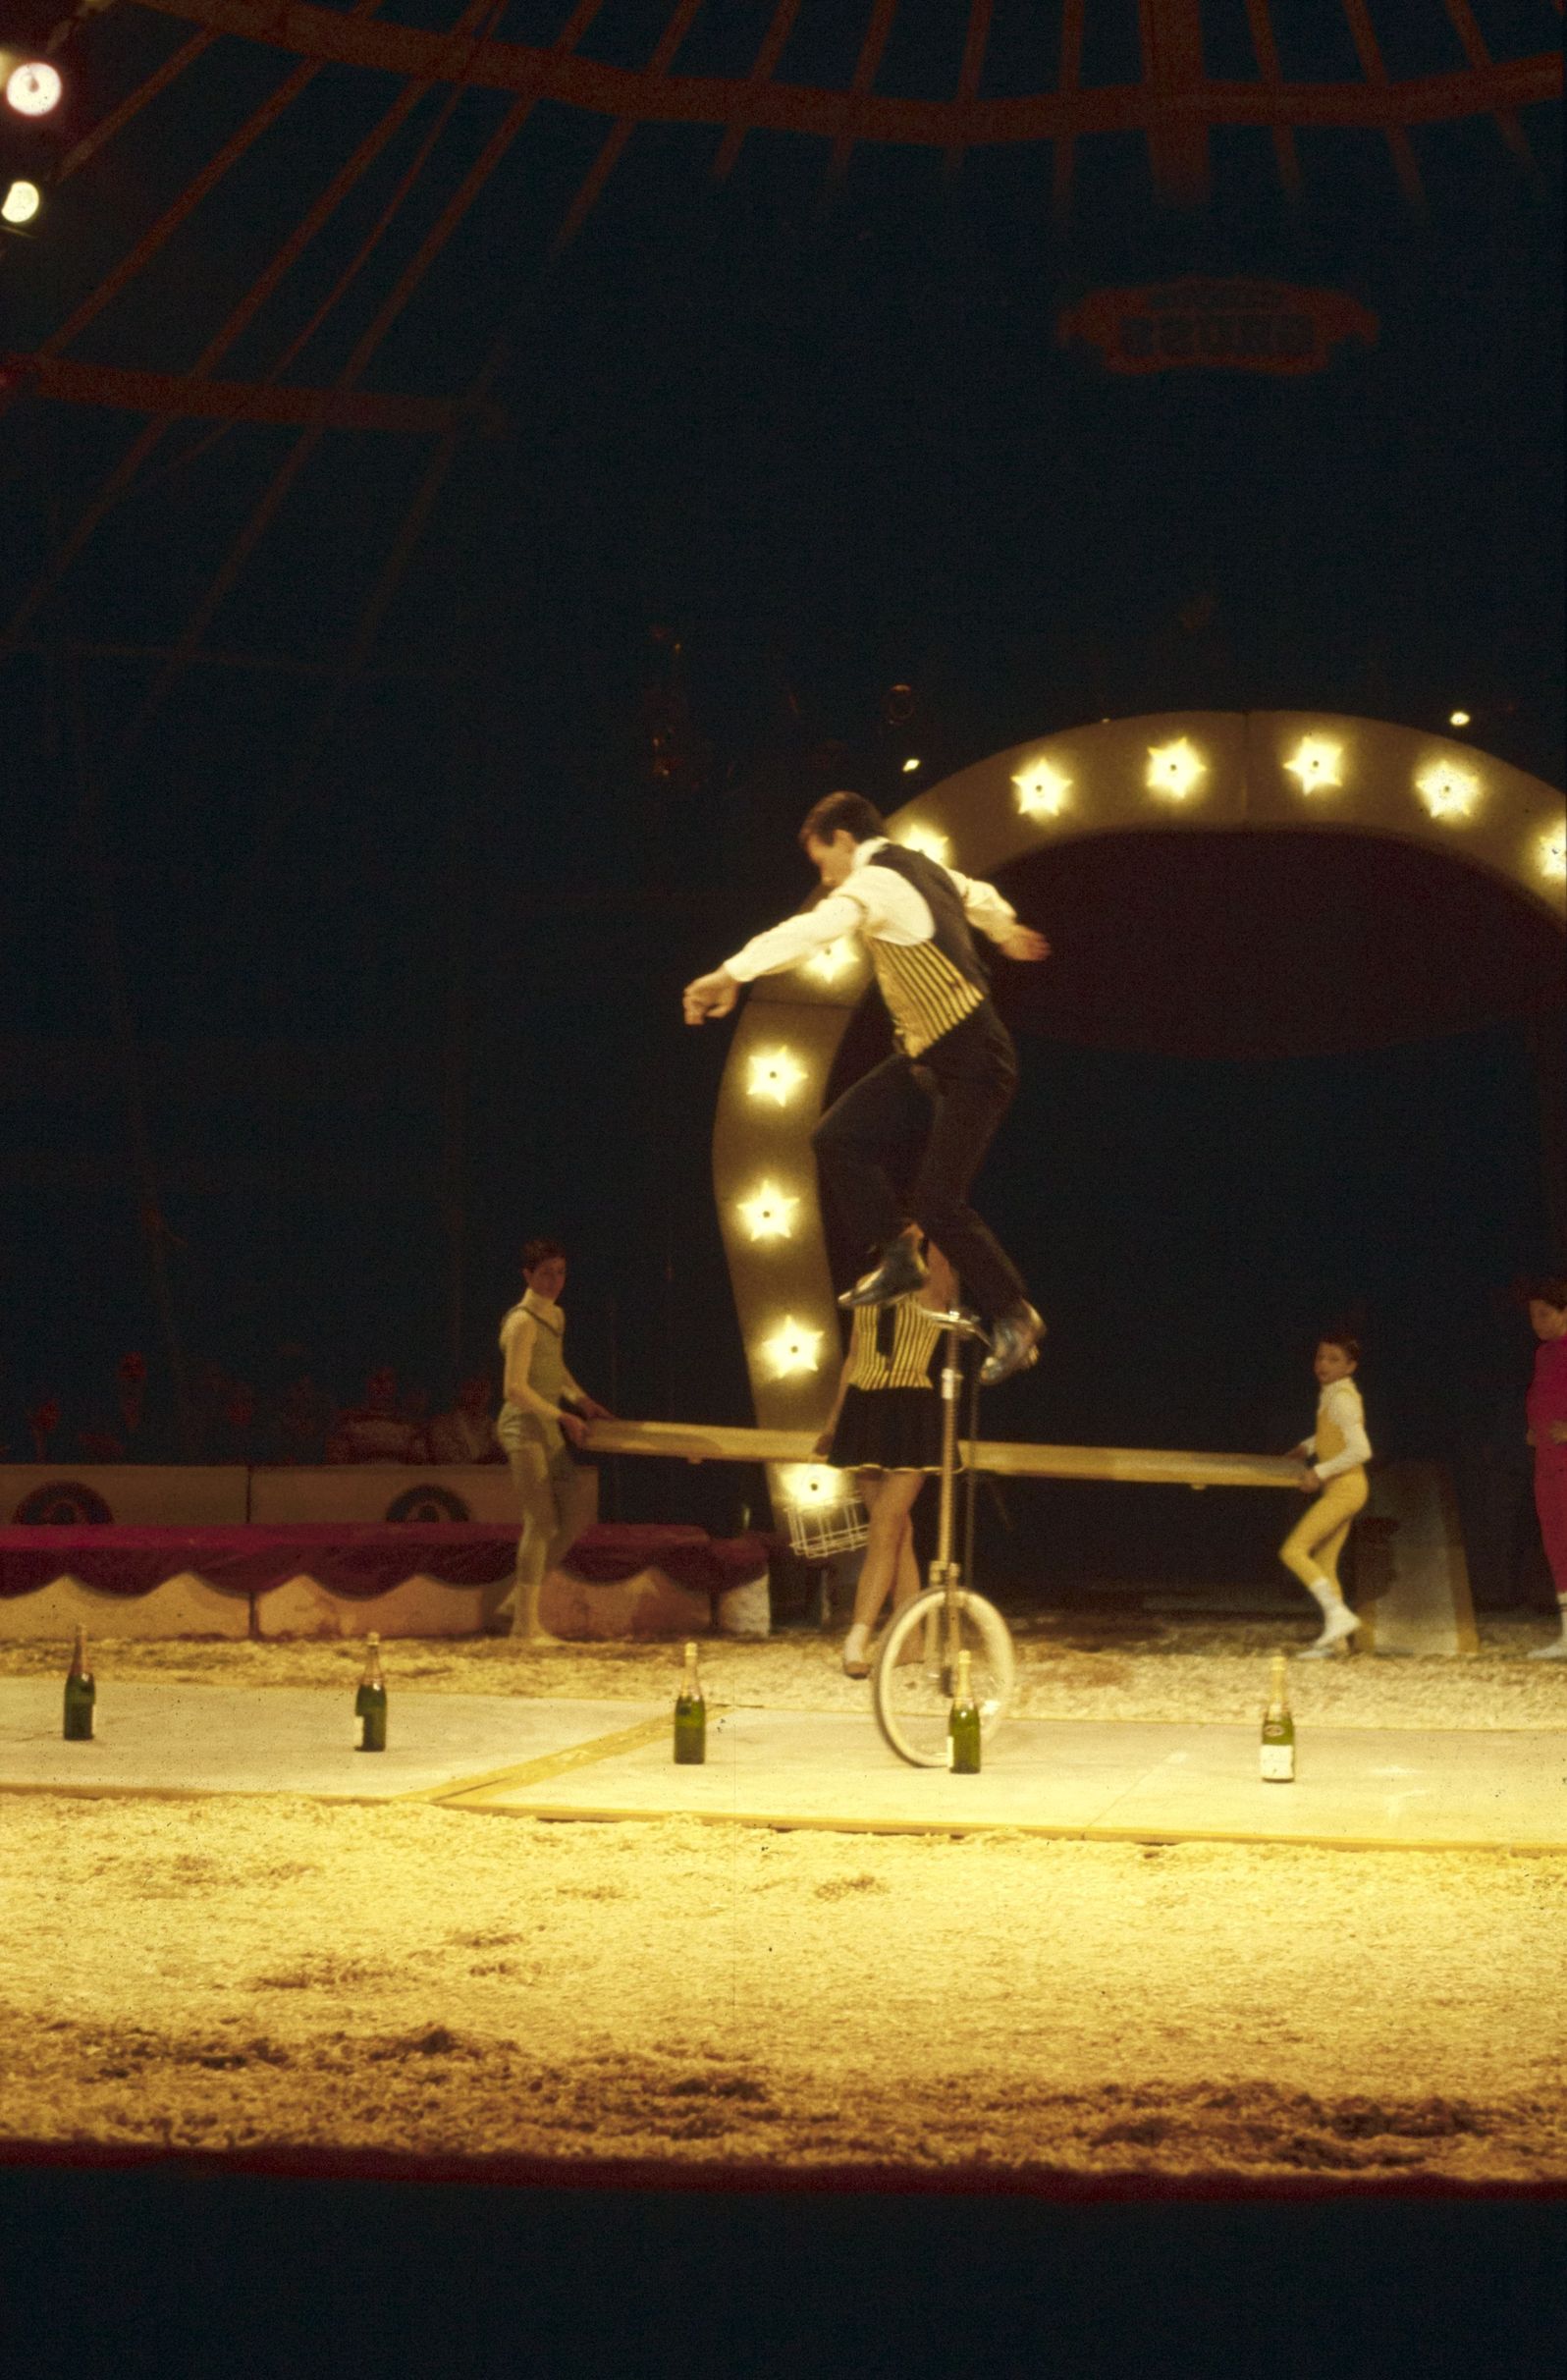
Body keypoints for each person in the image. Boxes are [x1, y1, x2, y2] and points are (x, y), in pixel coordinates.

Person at [682, 790, 1049, 1386]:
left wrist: (731, 972)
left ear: (845, 841)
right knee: (836, 1136)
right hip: (926, 1056)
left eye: (822, 860)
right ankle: (900, 1256)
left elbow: (814, 929)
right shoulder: (924, 867)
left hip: (976, 1059)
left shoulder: (876, 884)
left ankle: (1015, 1313)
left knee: (937, 1202)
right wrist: (1004, 931)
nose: (825, 878)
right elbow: (978, 896)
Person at [813, 1242, 960, 1678]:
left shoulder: (933, 1286)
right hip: (865, 1407)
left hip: (910, 1408)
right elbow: (854, 1357)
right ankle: (910, 1640)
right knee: (897, 1530)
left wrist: (927, 1229)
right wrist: (835, 1420)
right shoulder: (864, 1286)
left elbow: (938, 1245)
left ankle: (858, 1636)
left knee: (887, 1524)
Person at [494, 1239, 614, 1642]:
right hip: (524, 1427)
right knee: (541, 1522)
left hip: (547, 1426)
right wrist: (562, 1415)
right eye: (546, 1273)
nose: (554, 1280)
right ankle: (524, 1627)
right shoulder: (522, 1321)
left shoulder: (556, 1316)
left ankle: (516, 1600)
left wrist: (581, 1400)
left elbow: (554, 1369)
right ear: (528, 1275)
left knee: (575, 1515)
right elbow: (514, 1389)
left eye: (560, 1272)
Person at [1279, 1331, 1373, 1656]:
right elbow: (1330, 1434)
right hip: (1343, 1487)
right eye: (1320, 1357)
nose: (1323, 1364)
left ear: (1350, 1366)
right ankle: (1338, 1644)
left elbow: (1360, 1449)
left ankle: (1338, 1615)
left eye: (1334, 1359)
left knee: (1294, 1551)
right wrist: (1307, 1446)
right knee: (1325, 1562)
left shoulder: (1342, 1398)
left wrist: (1319, 1471)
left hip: (1346, 1489)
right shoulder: (1332, 1393)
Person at [1523, 1275, 1567, 1659]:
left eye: (1545, 1314)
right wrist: (1534, 1430)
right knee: (1556, 1543)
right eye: (1533, 1316)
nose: (1537, 1322)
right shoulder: (1544, 1353)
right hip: (1547, 1462)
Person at [426, 1373, 504, 1466]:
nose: (478, 1395)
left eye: (483, 1388)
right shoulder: (443, 1427)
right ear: (458, 1391)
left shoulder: (496, 1429)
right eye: (471, 1387)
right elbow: (450, 1467)